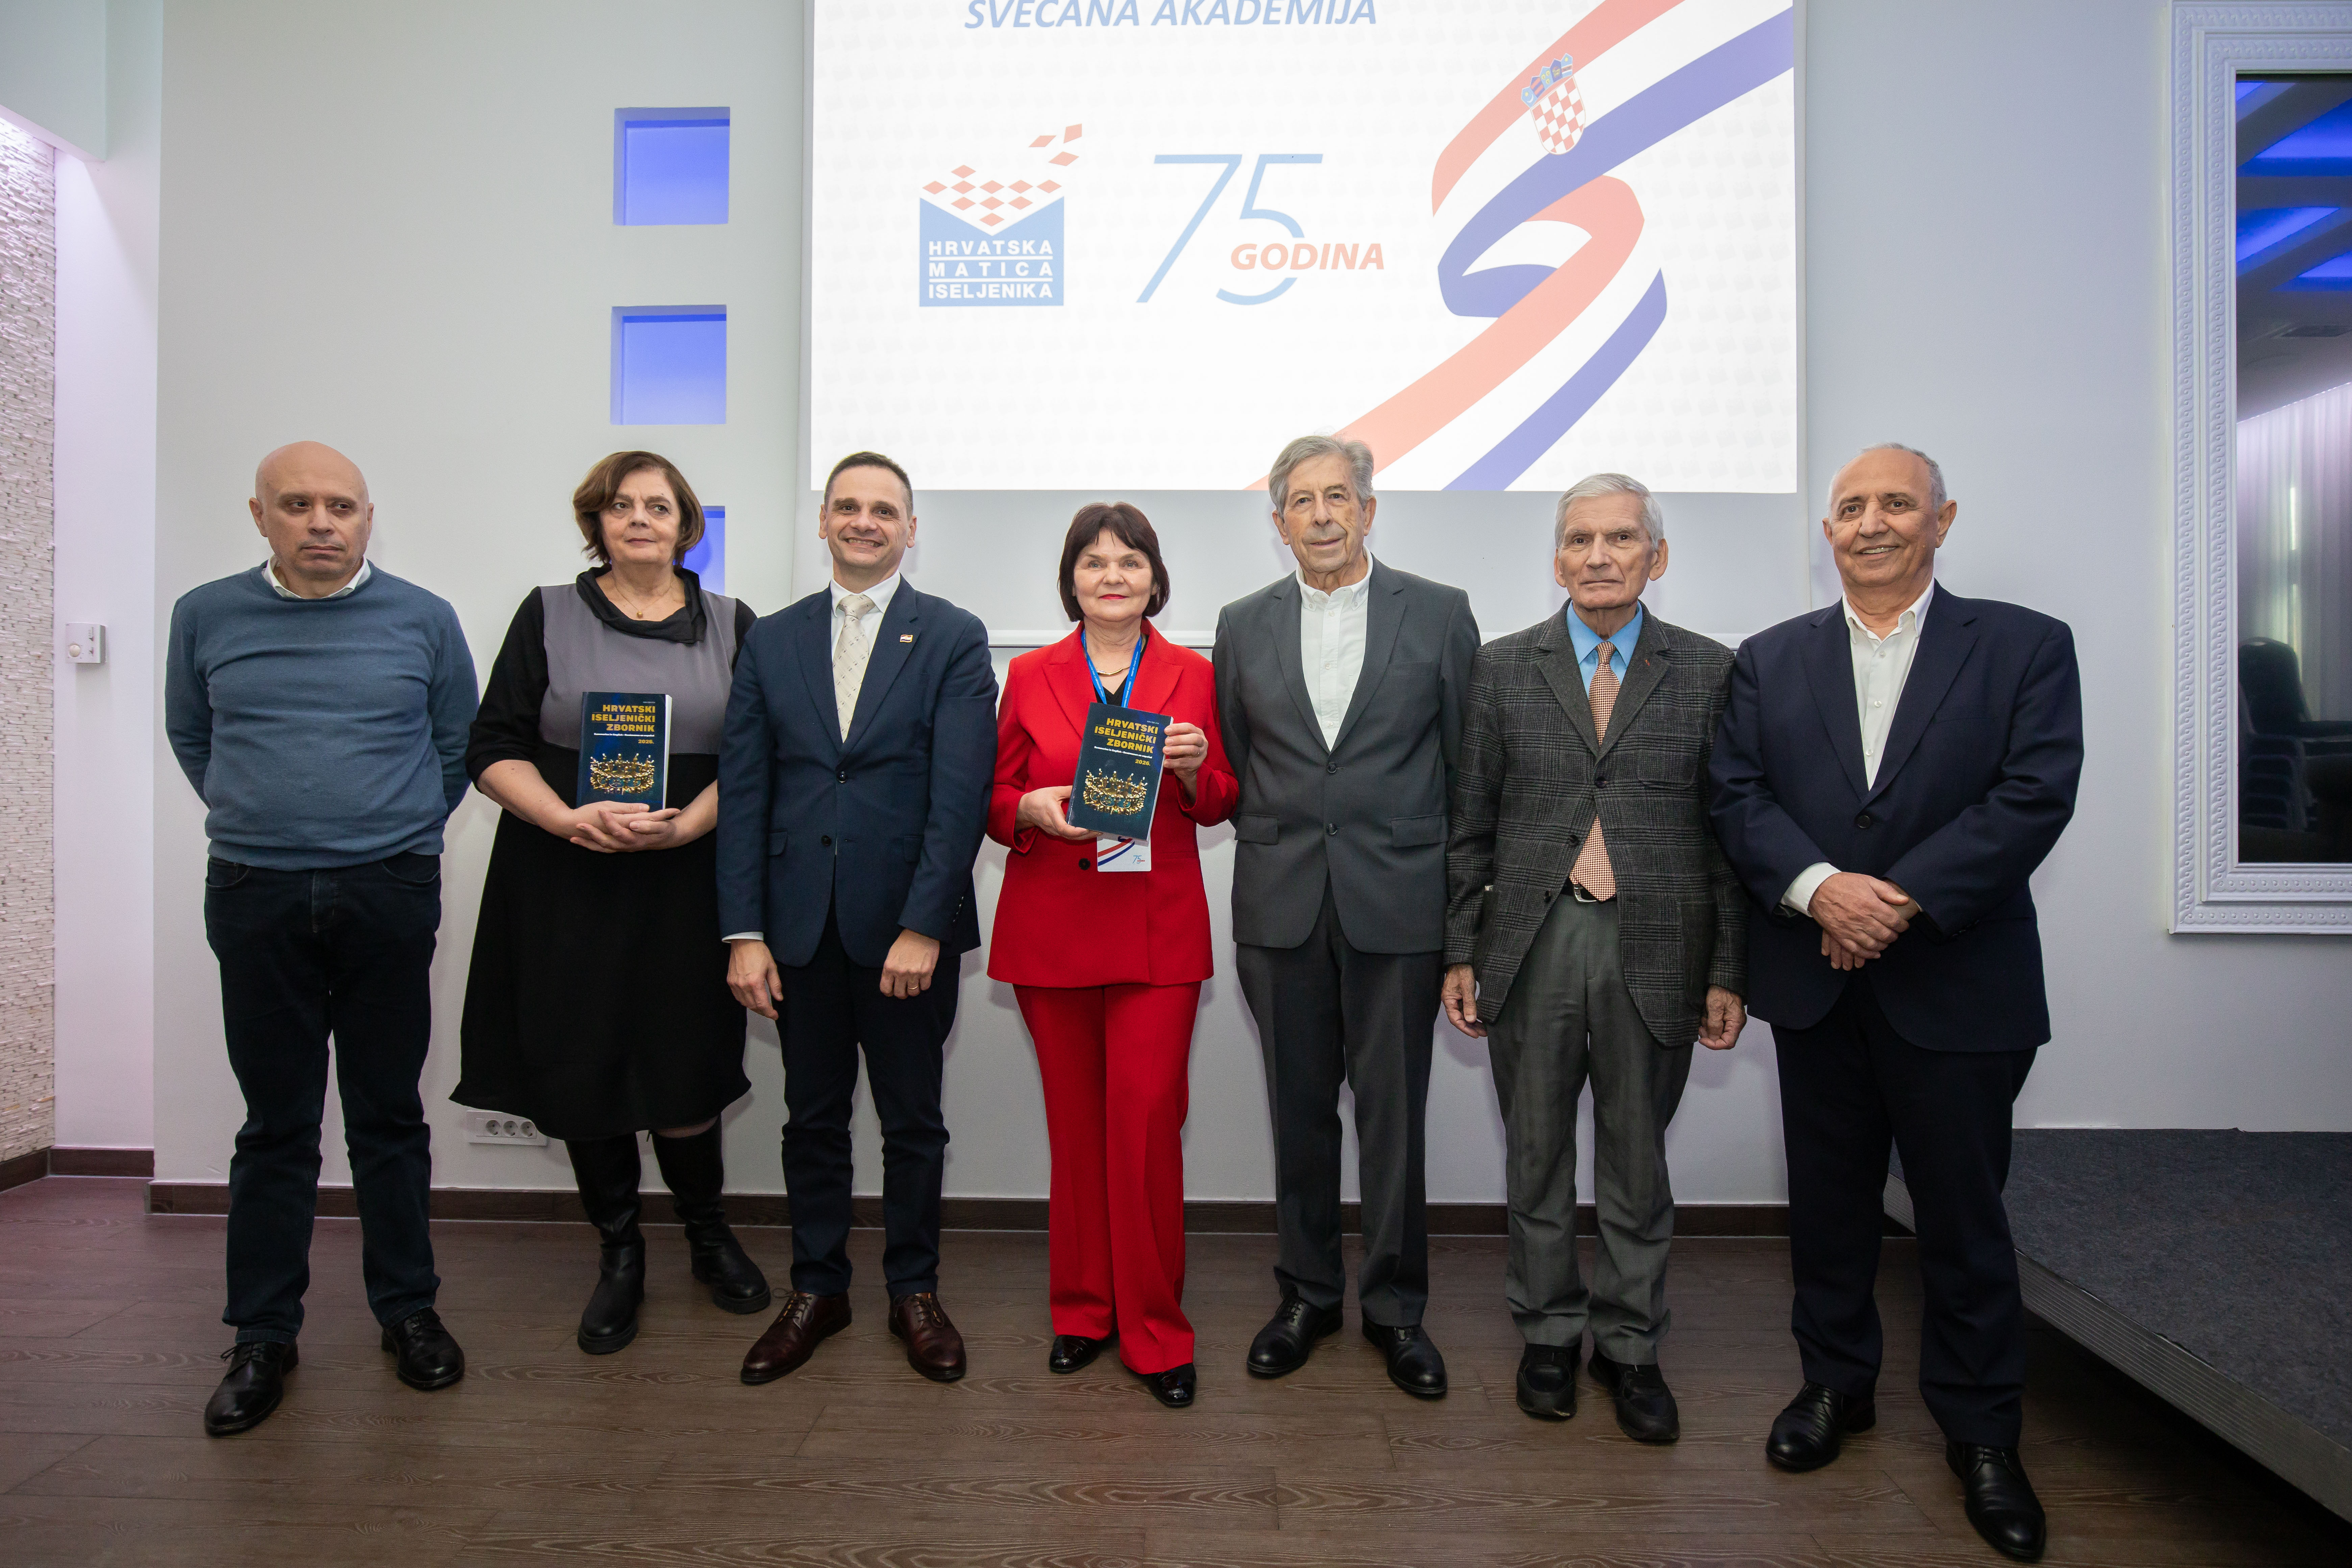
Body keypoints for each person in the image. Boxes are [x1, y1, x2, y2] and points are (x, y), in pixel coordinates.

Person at [1709, 444, 2081, 1563]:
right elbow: (1737, 794)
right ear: (1828, 530)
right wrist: (1823, 889)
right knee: (1829, 1211)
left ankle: (1983, 1435)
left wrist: (1896, 899)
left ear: (1942, 521)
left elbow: (2034, 794)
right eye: (1850, 507)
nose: (1871, 523)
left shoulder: (2025, 645)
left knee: (1964, 1223)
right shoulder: (1770, 659)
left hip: (1959, 984)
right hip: (1816, 983)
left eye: (1896, 504)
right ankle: (1837, 1388)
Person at [165, 441, 477, 1436]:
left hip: (387, 888)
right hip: (252, 889)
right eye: (297, 505)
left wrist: (395, 831)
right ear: (259, 515)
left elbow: (456, 747)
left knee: (388, 1114)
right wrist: (263, 817)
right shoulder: (206, 615)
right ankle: (263, 1334)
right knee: (276, 1123)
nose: (321, 523)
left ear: (368, 518)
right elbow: (193, 736)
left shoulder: (423, 618)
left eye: (340, 506)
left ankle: (408, 1312)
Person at [1442, 474, 1747, 1442]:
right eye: (1579, 540)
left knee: (1635, 1159)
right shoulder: (1502, 667)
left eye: (1620, 538)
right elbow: (1471, 822)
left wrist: (1728, 969)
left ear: (1658, 556)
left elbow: (1729, 835)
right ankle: (1547, 1333)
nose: (1599, 556)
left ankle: (1630, 1346)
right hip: (1532, 941)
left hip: (1658, 943)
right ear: (1557, 558)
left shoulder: (1711, 670)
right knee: (1535, 1153)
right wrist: (1460, 949)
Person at [455, 450, 769, 1356]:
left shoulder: (732, 623)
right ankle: (620, 1252)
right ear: (596, 520)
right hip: (568, 878)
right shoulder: (546, 612)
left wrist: (691, 826)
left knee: (686, 1060)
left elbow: (759, 755)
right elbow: (492, 745)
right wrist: (565, 819)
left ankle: (707, 1235)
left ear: (686, 526)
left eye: (659, 507)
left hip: (688, 880)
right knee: (582, 1061)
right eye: (622, 505)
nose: (640, 520)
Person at [719, 450, 997, 1386]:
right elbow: (746, 791)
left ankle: (914, 1290)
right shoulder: (772, 639)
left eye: (884, 510)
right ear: (824, 521)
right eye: (848, 506)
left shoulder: (952, 635)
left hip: (906, 934)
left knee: (914, 1123)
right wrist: (743, 932)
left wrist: (925, 925)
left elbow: (959, 796)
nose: (864, 522)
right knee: (812, 1120)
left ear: (910, 529)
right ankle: (818, 1289)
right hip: (796, 929)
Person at [1212, 435, 1478, 1399]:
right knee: (1297, 1113)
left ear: (1369, 509)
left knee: (1394, 1119)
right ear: (1277, 521)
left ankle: (1397, 1309)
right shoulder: (1242, 623)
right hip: (1280, 903)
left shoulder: (1440, 613)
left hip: (1399, 905)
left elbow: (1467, 774)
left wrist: (1466, 928)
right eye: (1302, 501)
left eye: (1338, 497)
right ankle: (1307, 1296)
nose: (1321, 515)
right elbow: (1240, 761)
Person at [987, 503, 1239, 1409]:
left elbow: (1222, 799)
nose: (1112, 576)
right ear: (1072, 580)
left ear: (1154, 579)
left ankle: (1157, 1330)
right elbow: (993, 796)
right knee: (1076, 1130)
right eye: (1093, 562)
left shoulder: (1193, 674)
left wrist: (1193, 768)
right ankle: (1084, 1311)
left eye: (1129, 561)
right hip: (1054, 924)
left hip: (1156, 930)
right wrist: (1027, 809)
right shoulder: (1029, 674)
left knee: (1145, 1128)